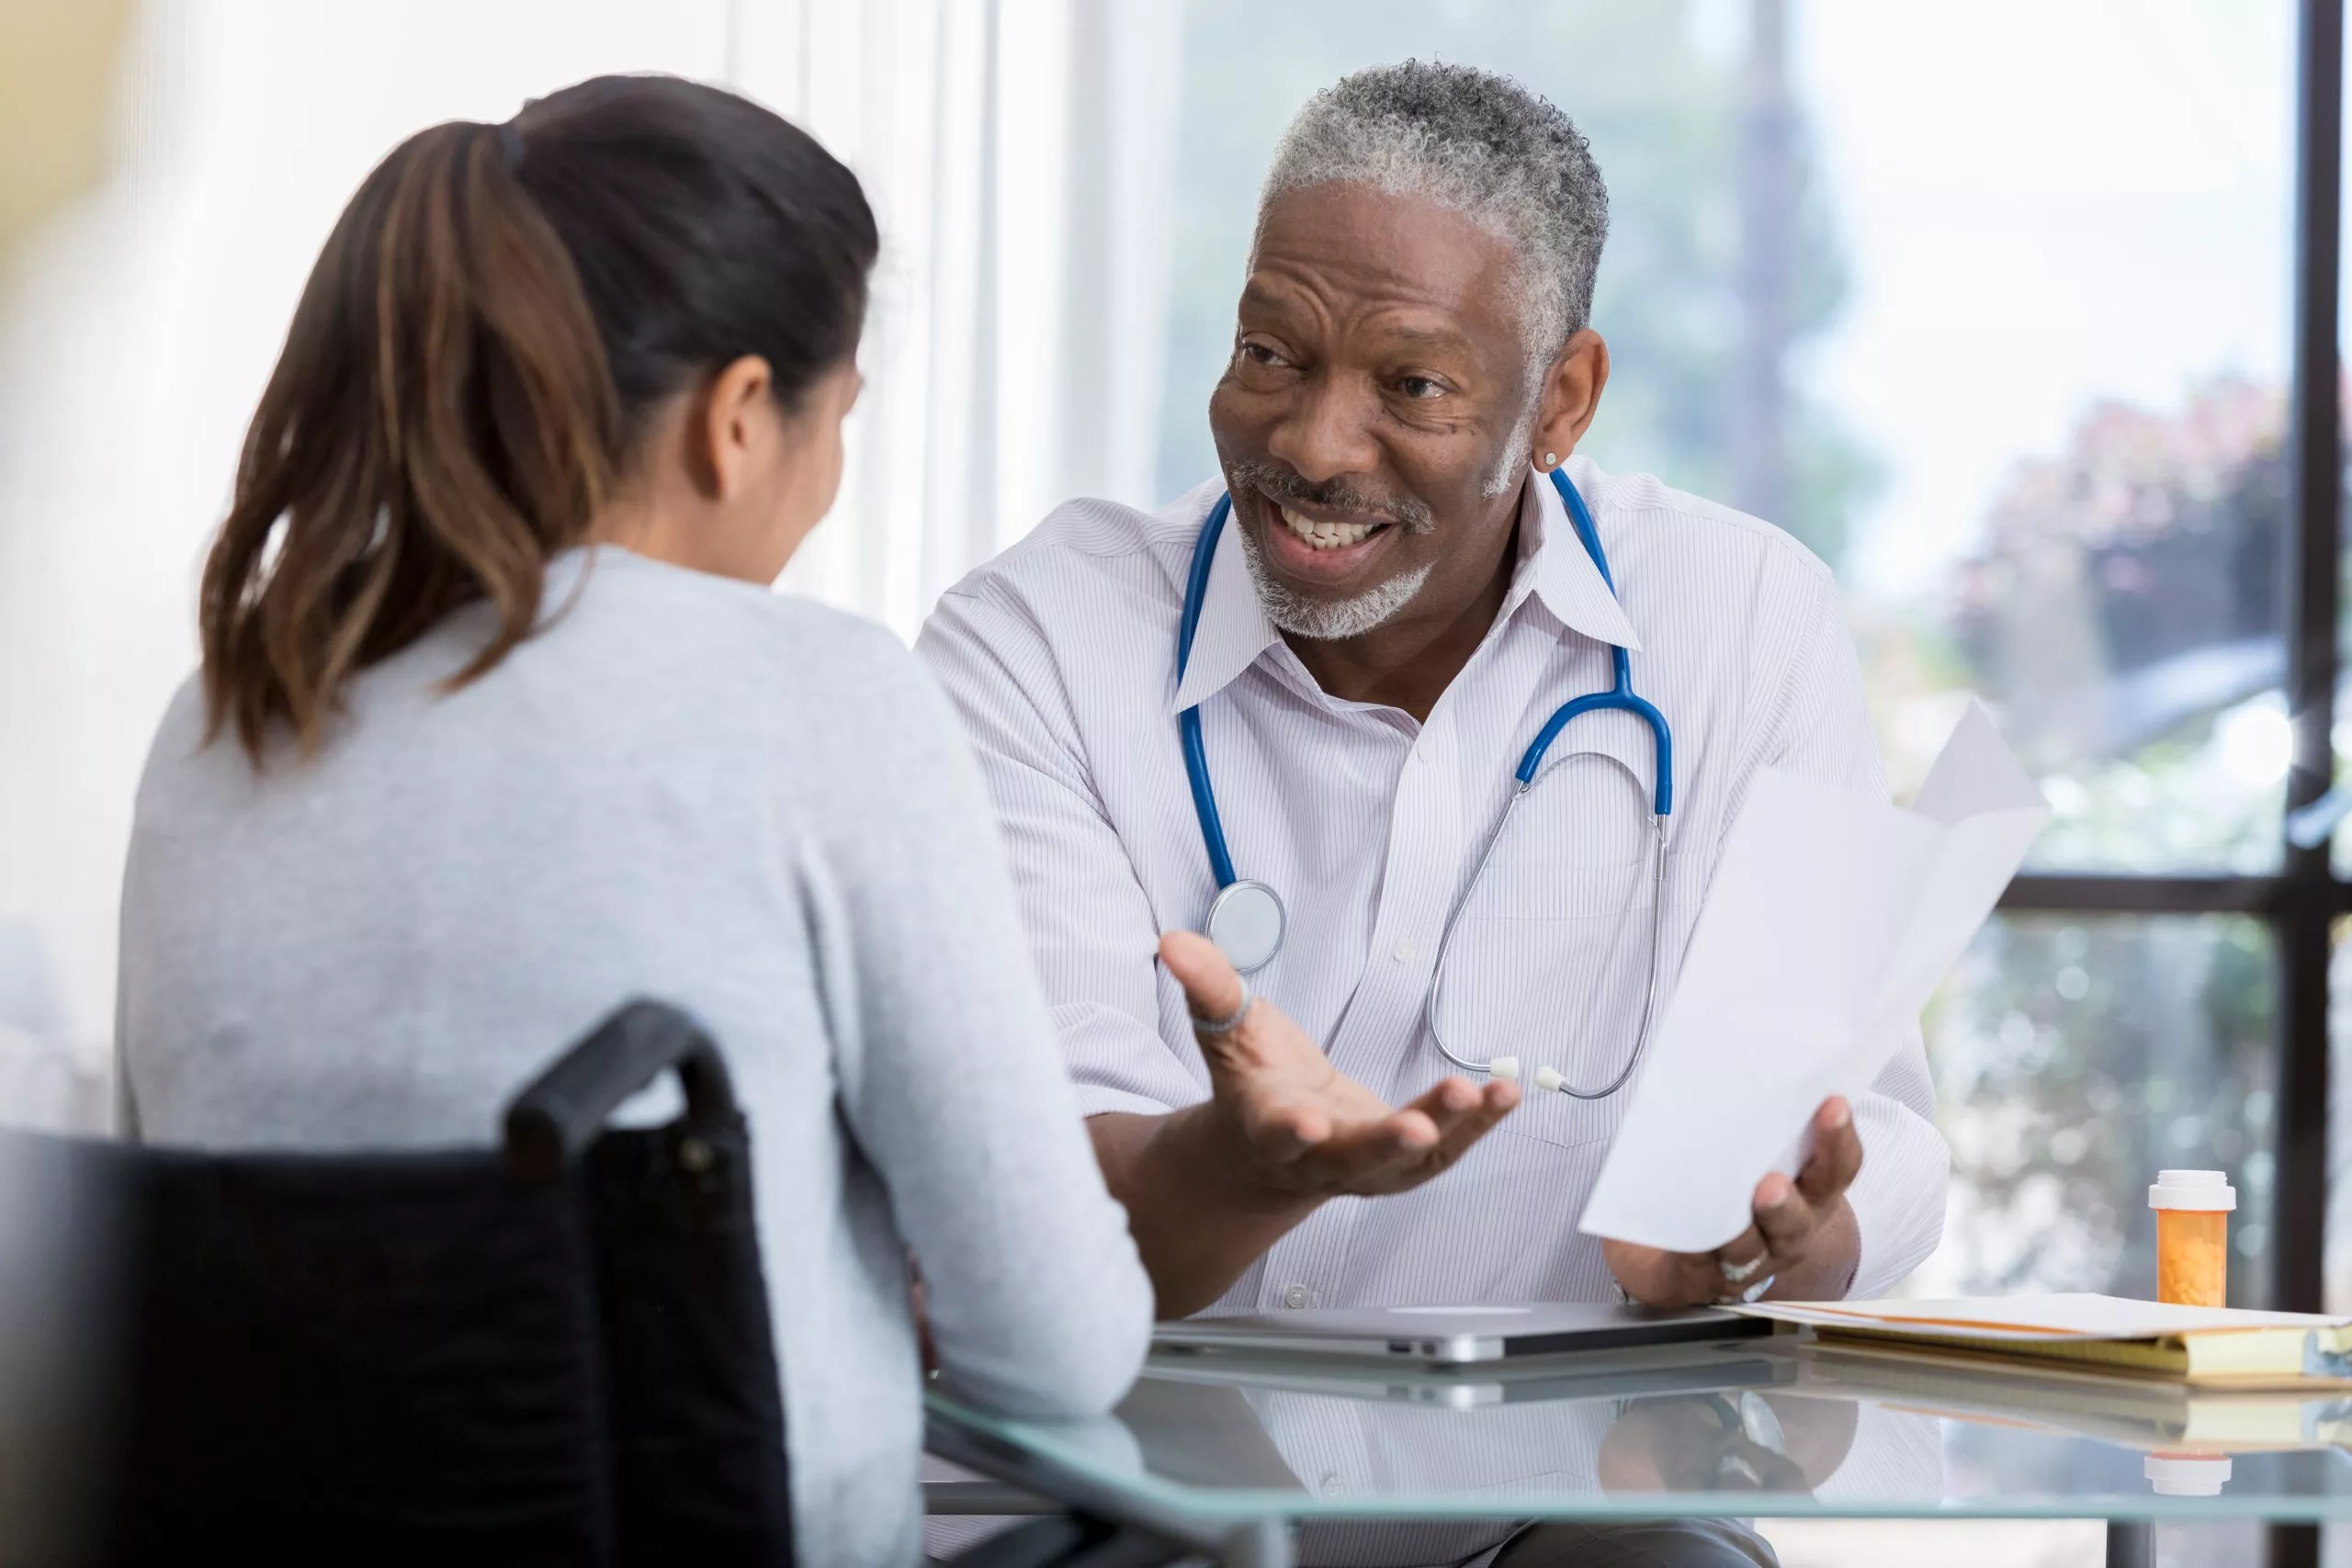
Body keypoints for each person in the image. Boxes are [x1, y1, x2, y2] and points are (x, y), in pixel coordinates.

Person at [919, 61, 1951, 1565]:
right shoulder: (1039, 644)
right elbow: (1032, 1224)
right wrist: (1249, 1166)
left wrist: (1771, 1234)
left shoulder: (1741, 620)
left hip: (1547, 1513)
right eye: (1270, 351)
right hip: (1133, 1506)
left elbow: (1883, 1133)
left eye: (1410, 383)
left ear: (1563, 401)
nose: (1316, 446)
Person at [113, 74, 1150, 1568]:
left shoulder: (227, 710)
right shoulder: (819, 695)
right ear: (739, 418)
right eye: (833, 421)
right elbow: (1057, 1348)